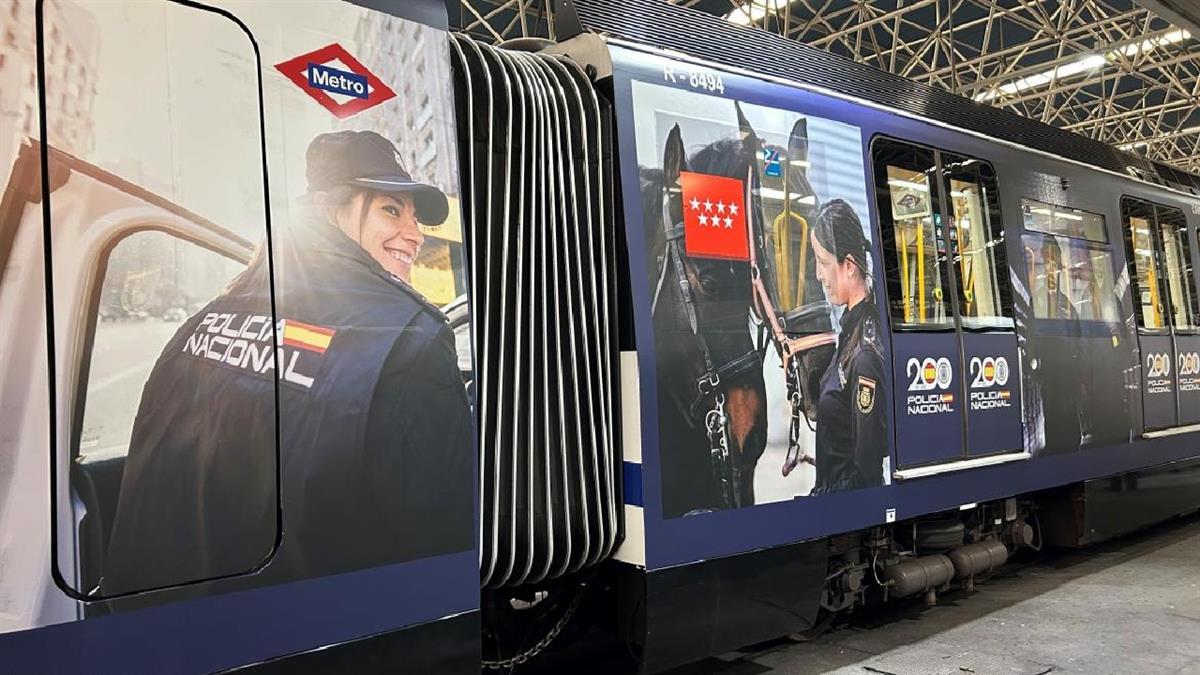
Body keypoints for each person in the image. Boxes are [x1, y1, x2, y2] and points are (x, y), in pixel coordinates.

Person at [102, 130, 473, 595]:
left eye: (416, 218)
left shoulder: (206, 321)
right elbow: (450, 547)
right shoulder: (408, 341)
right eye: (391, 209)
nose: (415, 235)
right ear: (328, 210)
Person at [807, 200, 888, 494]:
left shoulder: (865, 354)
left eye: (823, 262)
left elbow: (865, 476)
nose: (818, 274)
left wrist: (822, 502)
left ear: (849, 266)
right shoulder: (849, 331)